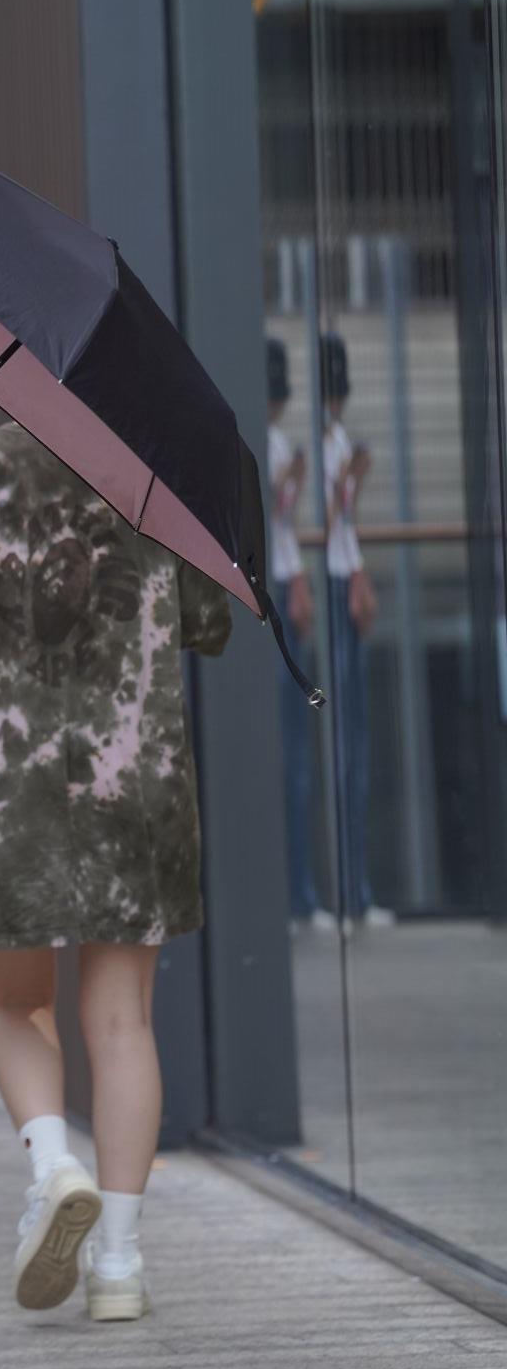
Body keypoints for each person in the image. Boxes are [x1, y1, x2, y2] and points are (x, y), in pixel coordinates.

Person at [0, 424, 231, 1323]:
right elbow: (207, 619)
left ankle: (53, 1169)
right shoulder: (164, 459)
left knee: (14, 1005)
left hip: (3, 783)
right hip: (134, 778)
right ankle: (119, 1262)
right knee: (122, 1021)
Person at [320, 332, 392, 929]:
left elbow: (344, 522)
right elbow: (327, 520)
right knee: (342, 747)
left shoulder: (335, 439)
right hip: (330, 582)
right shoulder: (321, 444)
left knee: (356, 744)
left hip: (342, 578)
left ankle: (356, 890)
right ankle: (345, 891)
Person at [267, 340, 327, 928]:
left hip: (286, 582)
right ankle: (293, 891)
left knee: (298, 751)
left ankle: (303, 891)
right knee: (287, 752)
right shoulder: (264, 442)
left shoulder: (279, 441)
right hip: (273, 588)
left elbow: (284, 523)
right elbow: (266, 518)